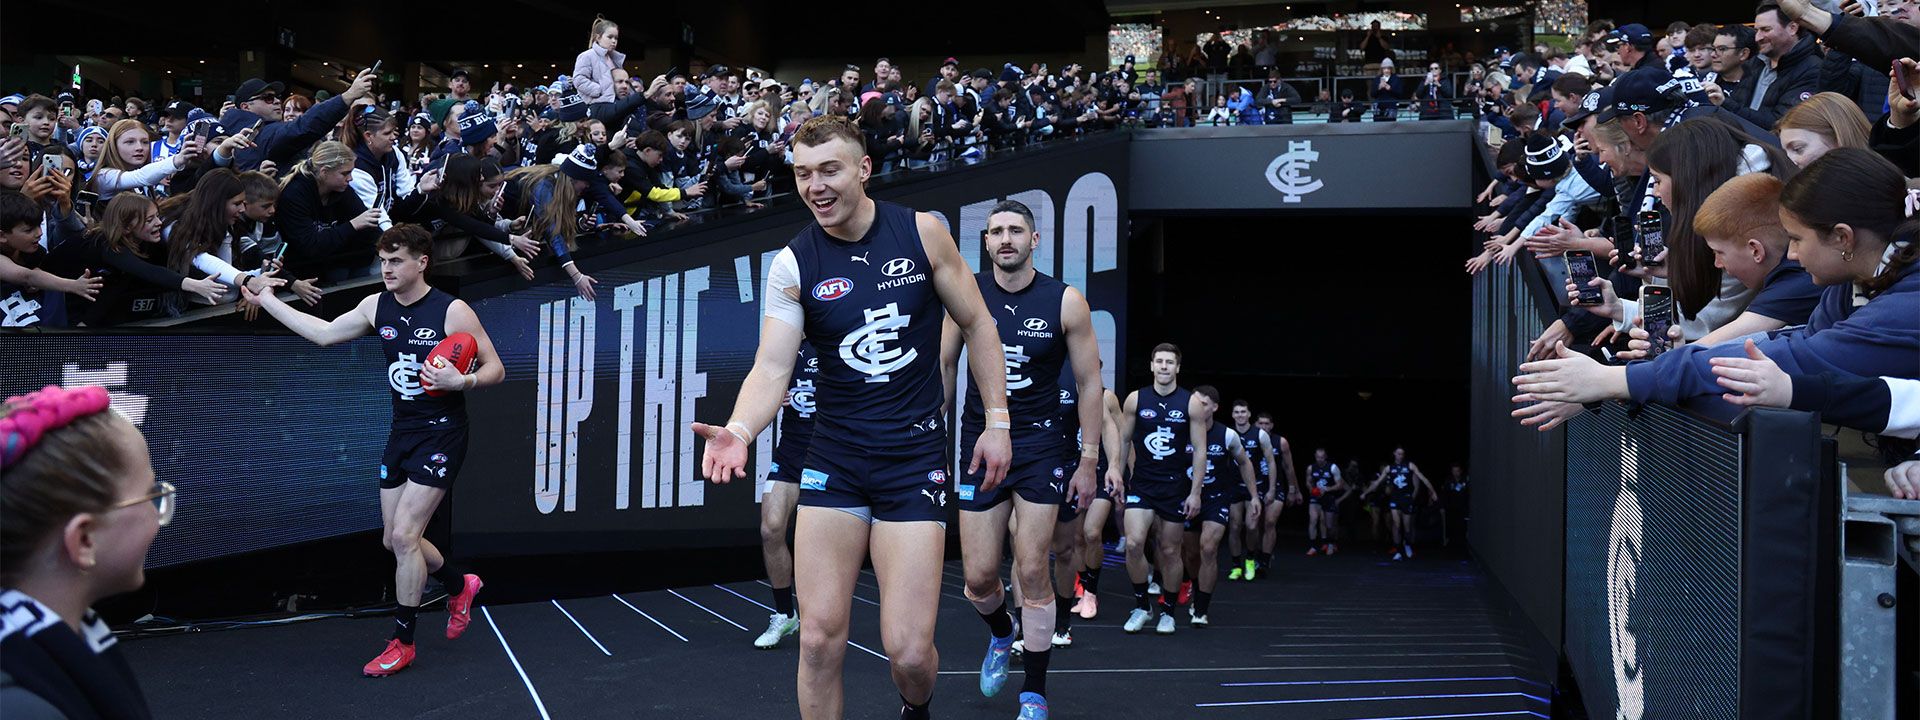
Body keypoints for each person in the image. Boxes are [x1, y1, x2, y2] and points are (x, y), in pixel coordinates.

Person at [690, 115, 1011, 720]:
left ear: (864, 169)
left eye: (829, 169)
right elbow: (771, 367)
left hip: (912, 462)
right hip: (833, 460)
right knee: (816, 641)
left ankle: (915, 710)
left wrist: (997, 421)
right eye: (803, 173)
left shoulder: (921, 234)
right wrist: (738, 430)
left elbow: (979, 324)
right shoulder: (792, 264)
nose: (815, 185)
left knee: (911, 654)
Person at [240, 224, 495, 677]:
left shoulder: (452, 311)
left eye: (396, 261)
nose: (387, 269)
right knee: (393, 540)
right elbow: (322, 334)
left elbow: (495, 368)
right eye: (383, 260)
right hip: (403, 431)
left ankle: (403, 642)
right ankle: (459, 584)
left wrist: (464, 381)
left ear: (422, 262)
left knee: (404, 537)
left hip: (443, 432)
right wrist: (270, 300)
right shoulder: (375, 305)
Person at [1512, 149, 1917, 413]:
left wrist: (1610, 380)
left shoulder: (1895, 304)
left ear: (1843, 237)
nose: (1793, 254)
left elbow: (1783, 360)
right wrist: (1624, 322)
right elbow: (1788, 343)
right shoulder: (1849, 283)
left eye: (1797, 239)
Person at [937, 199, 1104, 719]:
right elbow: (944, 365)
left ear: (1035, 241)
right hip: (979, 442)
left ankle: (1034, 690)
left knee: (1032, 568)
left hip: (1039, 445)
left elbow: (1090, 382)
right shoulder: (966, 296)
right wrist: (927, 441)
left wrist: (1090, 459)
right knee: (980, 579)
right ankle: (1001, 631)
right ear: (985, 243)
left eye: (1015, 230)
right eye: (996, 232)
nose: (1005, 239)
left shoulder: (1065, 301)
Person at [0, 385, 171, 719]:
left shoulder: (55, 646)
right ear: (85, 539)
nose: (158, 512)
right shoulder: (23, 708)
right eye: (150, 494)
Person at [1113, 343, 1205, 635]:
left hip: (1175, 487)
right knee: (1133, 543)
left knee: (1169, 551)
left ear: (1177, 368)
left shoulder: (1190, 403)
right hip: (1141, 484)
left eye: (1170, 362)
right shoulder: (1135, 400)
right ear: (1152, 366)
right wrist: (1116, 469)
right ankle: (1142, 606)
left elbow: (1200, 451)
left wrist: (1195, 492)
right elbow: (1124, 439)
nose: (1164, 366)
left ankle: (1168, 611)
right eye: (1159, 361)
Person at [752, 345, 818, 650]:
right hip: (791, 453)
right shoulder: (785, 345)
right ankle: (784, 614)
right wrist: (772, 399)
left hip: (829, 454)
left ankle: (820, 619)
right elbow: (760, 389)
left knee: (816, 540)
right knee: (771, 527)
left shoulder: (836, 334)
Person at [1174, 385, 1258, 626]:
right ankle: (1196, 587)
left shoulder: (1227, 435)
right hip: (1188, 497)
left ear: (1214, 407)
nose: (1198, 407)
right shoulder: (1181, 431)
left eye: (1203, 403)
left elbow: (1244, 462)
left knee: (1208, 548)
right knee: (1190, 554)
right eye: (1195, 402)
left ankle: (1201, 609)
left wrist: (1253, 496)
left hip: (1216, 499)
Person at [1072, 387, 1124, 621]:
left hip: (1100, 472)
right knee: (1075, 539)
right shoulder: (1055, 387)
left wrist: (1120, 471)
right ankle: (1082, 584)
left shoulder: (1104, 396)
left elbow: (1121, 434)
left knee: (1092, 533)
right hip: (1070, 472)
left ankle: (1091, 592)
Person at [1223, 401, 1276, 581]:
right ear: (1232, 415)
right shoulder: (1228, 434)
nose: (1240, 415)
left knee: (1252, 526)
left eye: (1243, 412)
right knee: (1235, 526)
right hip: (1233, 486)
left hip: (1255, 486)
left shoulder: (1260, 434)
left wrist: (1271, 489)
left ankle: (1251, 560)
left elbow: (1271, 461)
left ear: (1249, 414)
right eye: (1236, 412)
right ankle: (1236, 565)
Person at [1363, 447, 1435, 561]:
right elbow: (1377, 483)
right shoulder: (1389, 468)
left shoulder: (1410, 465)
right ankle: (1397, 550)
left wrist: (1433, 491)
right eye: (1398, 454)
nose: (1400, 456)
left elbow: (1422, 478)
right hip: (1395, 498)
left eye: (1402, 454)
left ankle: (1407, 545)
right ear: (1394, 454)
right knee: (1396, 524)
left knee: (1406, 527)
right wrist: (1365, 493)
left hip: (1406, 498)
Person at [1251, 411, 1299, 572]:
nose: (1264, 427)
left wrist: (1294, 490)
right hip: (1255, 486)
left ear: (1271, 425)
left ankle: (1265, 560)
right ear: (1255, 424)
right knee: (1254, 524)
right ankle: (1256, 554)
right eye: (1260, 423)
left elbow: (1288, 467)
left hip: (1276, 485)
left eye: (1267, 424)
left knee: (1270, 522)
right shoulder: (1250, 439)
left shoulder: (1281, 442)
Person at [1303, 448, 1346, 555]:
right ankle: (1312, 547)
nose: (1320, 459)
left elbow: (1340, 485)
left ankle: (1330, 544)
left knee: (1329, 524)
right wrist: (1311, 489)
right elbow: (1308, 482)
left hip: (1328, 497)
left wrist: (1327, 489)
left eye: (1322, 457)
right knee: (1313, 519)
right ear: (1315, 456)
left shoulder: (1333, 467)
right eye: (1318, 457)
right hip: (1316, 497)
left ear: (1325, 457)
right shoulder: (1311, 468)